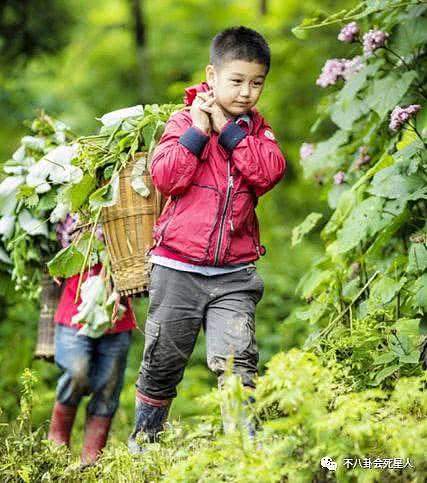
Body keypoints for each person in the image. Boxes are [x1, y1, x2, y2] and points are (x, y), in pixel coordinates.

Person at [128, 25, 286, 452]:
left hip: (234, 274)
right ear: (211, 76)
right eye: (236, 81)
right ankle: (144, 446)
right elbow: (165, 178)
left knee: (238, 361)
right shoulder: (182, 122)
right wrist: (200, 129)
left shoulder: (257, 132)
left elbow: (269, 172)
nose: (246, 92)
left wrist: (231, 133)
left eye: (257, 83)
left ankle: (246, 453)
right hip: (177, 268)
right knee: (162, 362)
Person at [47, 217, 136, 466]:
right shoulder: (75, 208)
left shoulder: (130, 208)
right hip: (75, 310)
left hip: (116, 313)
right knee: (76, 371)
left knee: (108, 387)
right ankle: (56, 446)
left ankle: (91, 462)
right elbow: (66, 242)